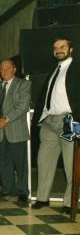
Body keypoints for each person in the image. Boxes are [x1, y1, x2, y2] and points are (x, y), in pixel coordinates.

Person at [31, 37, 80, 214]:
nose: (58, 49)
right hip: (49, 122)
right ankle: (43, 199)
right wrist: (41, 118)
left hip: (69, 121)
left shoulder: (76, 68)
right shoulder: (55, 70)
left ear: (71, 49)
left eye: (62, 46)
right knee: (43, 161)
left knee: (71, 164)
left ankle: (70, 203)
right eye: (55, 47)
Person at [0, 59, 31, 206]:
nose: (4, 72)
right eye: (1, 69)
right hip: (0, 130)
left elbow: (23, 106)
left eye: (7, 68)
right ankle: (7, 188)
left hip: (16, 130)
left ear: (14, 69)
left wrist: (6, 119)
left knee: (20, 164)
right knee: (4, 162)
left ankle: (22, 192)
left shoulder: (23, 84)